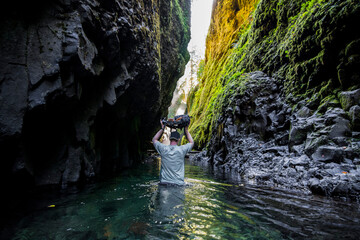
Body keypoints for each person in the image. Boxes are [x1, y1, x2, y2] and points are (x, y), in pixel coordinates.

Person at [152, 120, 194, 185]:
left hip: (164, 184)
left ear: (169, 138)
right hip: (179, 184)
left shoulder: (163, 149)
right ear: (179, 139)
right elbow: (191, 142)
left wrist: (162, 128)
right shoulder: (182, 150)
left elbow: (154, 139)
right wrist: (186, 129)